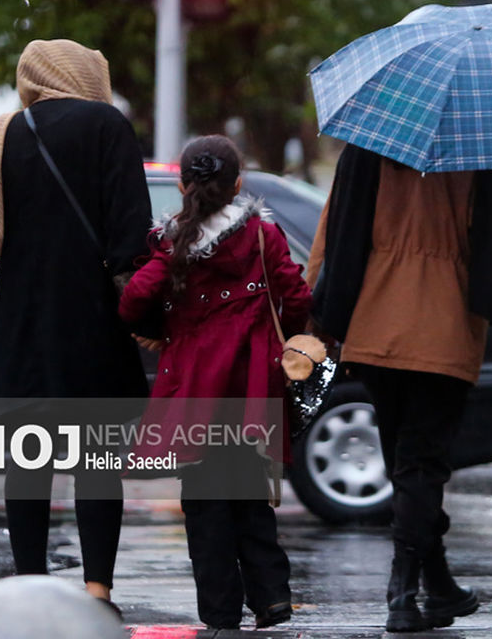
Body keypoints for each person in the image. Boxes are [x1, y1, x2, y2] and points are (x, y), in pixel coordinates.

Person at [0, 39, 152, 617]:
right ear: (87, 75)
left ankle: (28, 590)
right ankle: (97, 593)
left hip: (20, 328)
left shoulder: (1, 135)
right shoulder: (106, 126)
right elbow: (129, 236)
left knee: (27, 465)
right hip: (90, 325)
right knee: (96, 463)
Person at [307, 144, 492, 633]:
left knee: (407, 463)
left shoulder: (366, 151)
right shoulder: (484, 153)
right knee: (422, 464)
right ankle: (401, 593)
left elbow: (333, 233)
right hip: (444, 324)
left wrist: (317, 310)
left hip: (375, 321)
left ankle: (438, 586)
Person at [117, 135, 312, 631]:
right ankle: (271, 597)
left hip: (194, 397)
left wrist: (166, 327)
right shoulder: (265, 238)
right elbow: (296, 297)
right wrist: (277, 337)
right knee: (250, 491)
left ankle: (221, 614)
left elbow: (133, 301)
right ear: (239, 185)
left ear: (183, 185)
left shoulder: (172, 242)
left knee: (204, 503)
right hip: (252, 390)